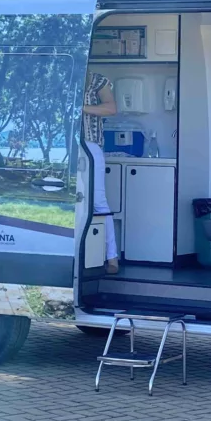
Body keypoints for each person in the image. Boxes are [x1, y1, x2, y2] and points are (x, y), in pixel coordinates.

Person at [80, 71, 119, 273]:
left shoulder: (97, 81)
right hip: (69, 147)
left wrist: (81, 108)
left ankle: (111, 257)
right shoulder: (62, 75)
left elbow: (111, 108)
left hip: (91, 145)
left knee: (98, 201)